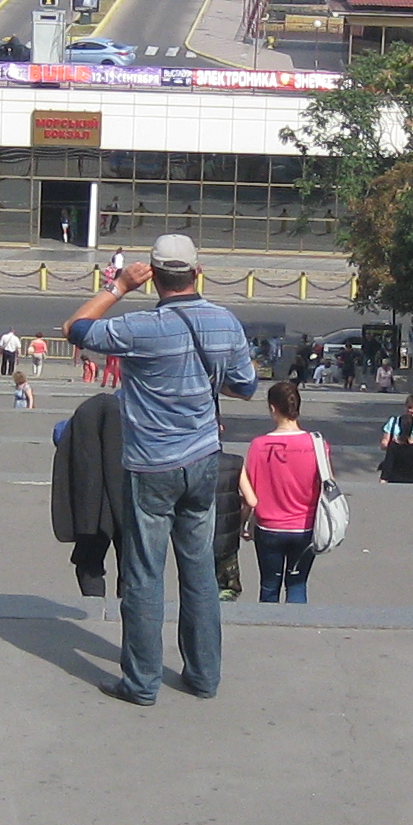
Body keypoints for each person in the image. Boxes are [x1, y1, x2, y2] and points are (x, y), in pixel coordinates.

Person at [63, 232, 260, 705]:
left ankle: (141, 682)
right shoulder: (224, 322)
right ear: (197, 272)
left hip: (150, 465)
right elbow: (246, 387)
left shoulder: (139, 328)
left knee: (144, 574)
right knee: (200, 571)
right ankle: (203, 675)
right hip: (203, 460)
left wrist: (118, 286)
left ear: (152, 276)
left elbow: (74, 328)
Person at [243, 381, 325, 603]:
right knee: (297, 584)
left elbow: (250, 492)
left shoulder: (258, 445)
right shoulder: (317, 444)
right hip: (305, 527)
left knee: (269, 585)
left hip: (269, 528)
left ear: (273, 408)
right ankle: (297, 621)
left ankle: (267, 623)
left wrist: (244, 523)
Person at [51, 391, 127, 597]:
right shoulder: (132, 412)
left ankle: (94, 603)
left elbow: (59, 434)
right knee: (133, 564)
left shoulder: (87, 412)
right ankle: (128, 606)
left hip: (91, 502)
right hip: (126, 499)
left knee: (88, 563)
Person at [378, 390, 413, 484]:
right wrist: (389, 444)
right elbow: (384, 443)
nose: (410, 415)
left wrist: (412, 450)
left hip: (410, 469)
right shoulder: (393, 422)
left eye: (412, 413)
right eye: (408, 411)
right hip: (394, 469)